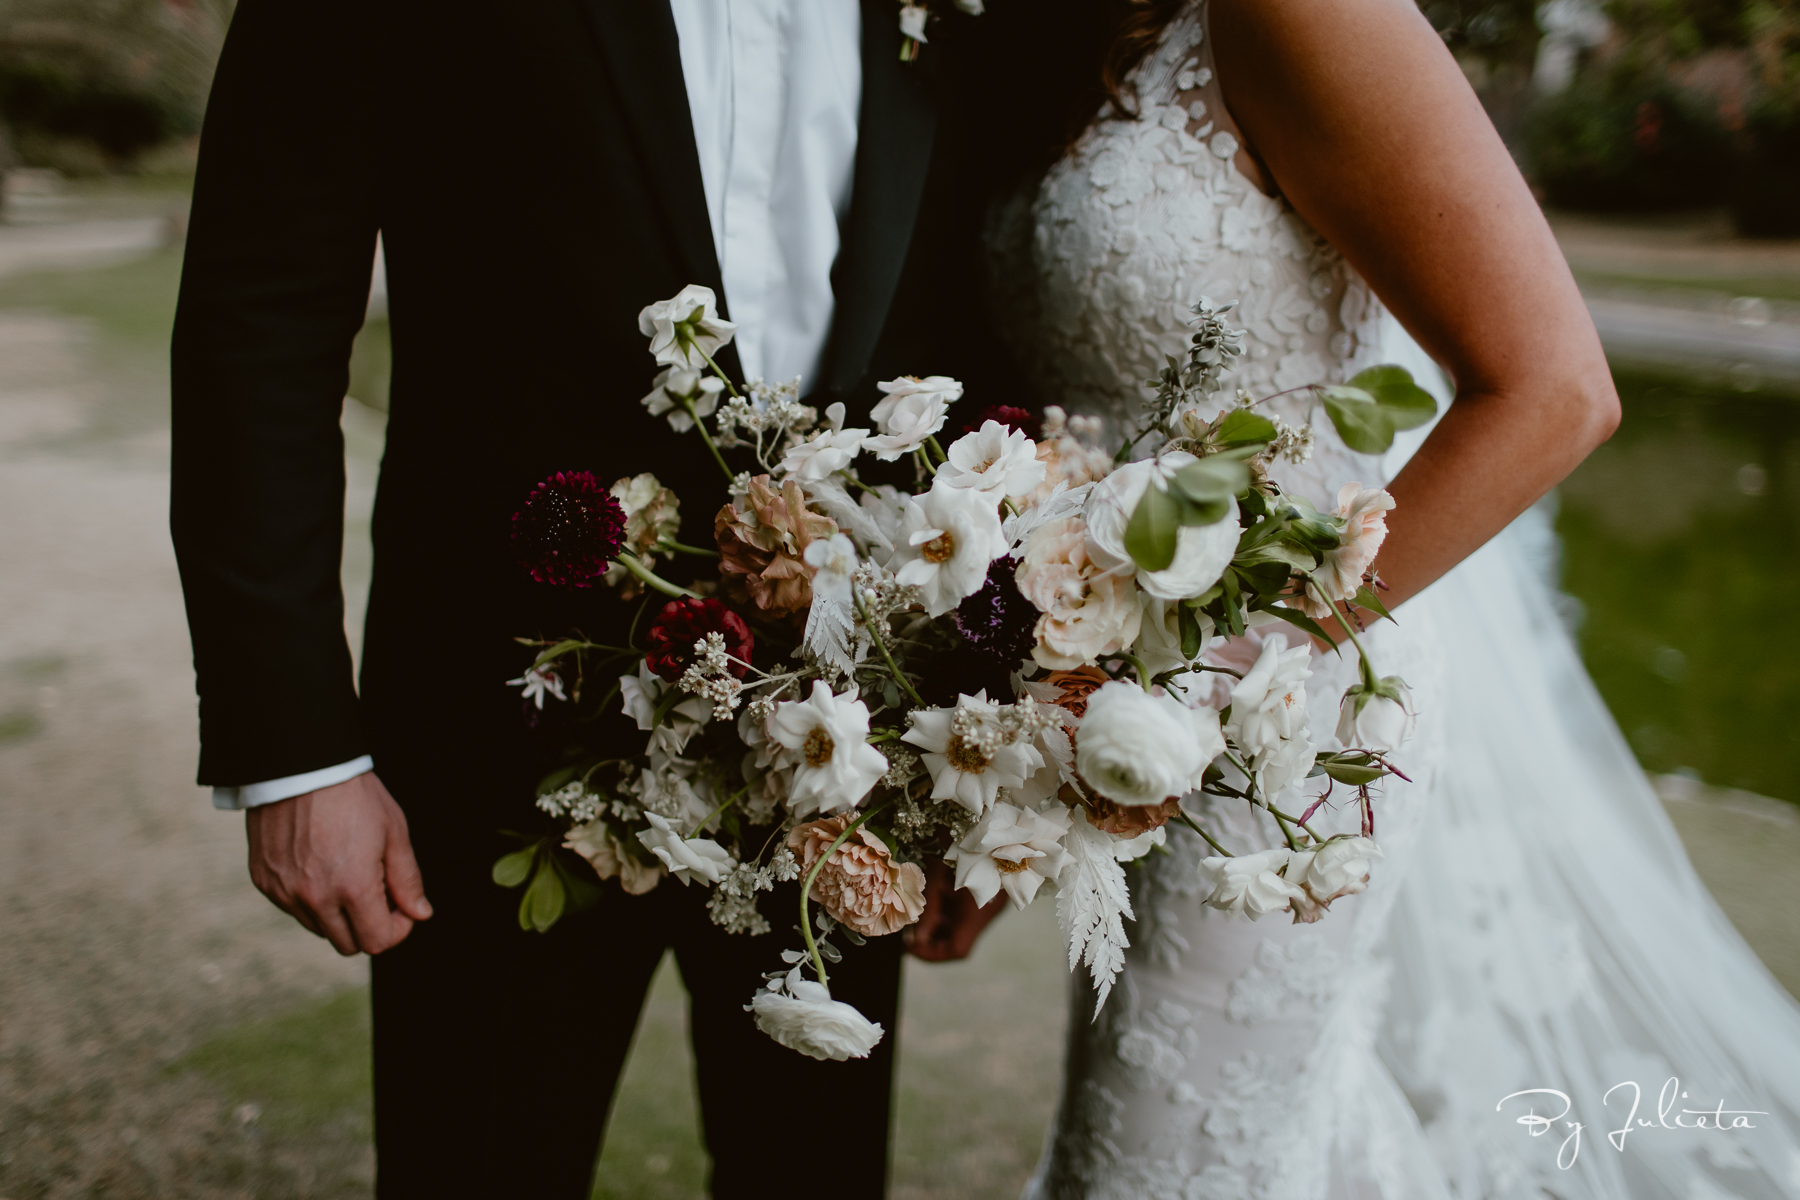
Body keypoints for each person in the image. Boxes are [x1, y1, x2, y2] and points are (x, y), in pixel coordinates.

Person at [168, 0, 1072, 1194]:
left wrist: (978, 772)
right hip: (501, 732)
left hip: (848, 750)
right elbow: (261, 312)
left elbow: (976, 326)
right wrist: (296, 751)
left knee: (813, 1168)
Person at [987, 0, 1800, 1195]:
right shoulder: (1061, 33)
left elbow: (1556, 392)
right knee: (1230, 1135)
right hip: (1116, 695)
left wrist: (1258, 657)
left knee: (1161, 1166)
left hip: (1286, 716)